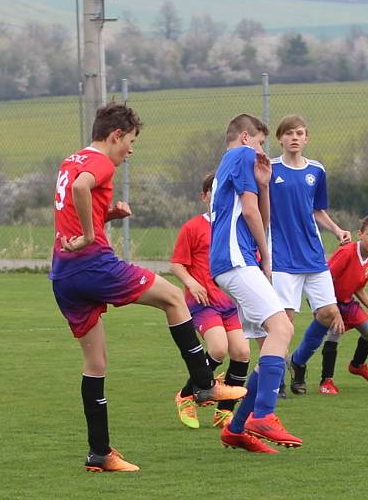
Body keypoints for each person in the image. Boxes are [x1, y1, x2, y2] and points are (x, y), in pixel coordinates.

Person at [49, 102, 246, 473]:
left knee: (95, 363)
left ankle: (99, 454)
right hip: (92, 264)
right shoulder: (101, 162)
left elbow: (74, 198)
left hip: (63, 274)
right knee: (174, 298)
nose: (131, 151)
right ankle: (204, 386)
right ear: (115, 136)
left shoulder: (70, 159)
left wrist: (106, 215)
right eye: (131, 141)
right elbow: (81, 188)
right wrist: (91, 235)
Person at [210, 113, 300, 454]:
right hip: (238, 259)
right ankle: (263, 415)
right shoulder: (242, 155)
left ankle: (236, 429)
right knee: (283, 329)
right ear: (246, 137)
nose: (263, 151)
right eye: (262, 142)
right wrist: (266, 259)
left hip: (229, 262)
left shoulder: (232, 162)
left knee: (272, 345)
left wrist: (264, 185)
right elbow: (249, 214)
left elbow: (260, 213)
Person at [267, 114, 350, 396]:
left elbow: (317, 209)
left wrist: (337, 230)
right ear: (279, 138)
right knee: (283, 324)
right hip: (282, 258)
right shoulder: (269, 169)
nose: (294, 138)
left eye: (299, 133)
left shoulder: (317, 170)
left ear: (306, 138)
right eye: (288, 133)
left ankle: (299, 362)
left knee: (329, 314)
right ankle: (275, 380)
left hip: (313, 256)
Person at [171, 172, 250, 431]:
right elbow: (177, 264)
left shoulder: (237, 226)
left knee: (241, 352)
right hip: (202, 301)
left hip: (229, 302)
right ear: (204, 197)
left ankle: (224, 412)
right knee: (218, 349)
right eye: (214, 193)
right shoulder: (193, 227)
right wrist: (192, 283)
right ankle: (185, 396)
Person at [317, 213, 368, 395]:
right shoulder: (347, 252)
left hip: (348, 302)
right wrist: (332, 311)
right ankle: (326, 382)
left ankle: (357, 366)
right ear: (360, 234)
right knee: (335, 334)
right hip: (329, 301)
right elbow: (324, 280)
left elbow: (359, 288)